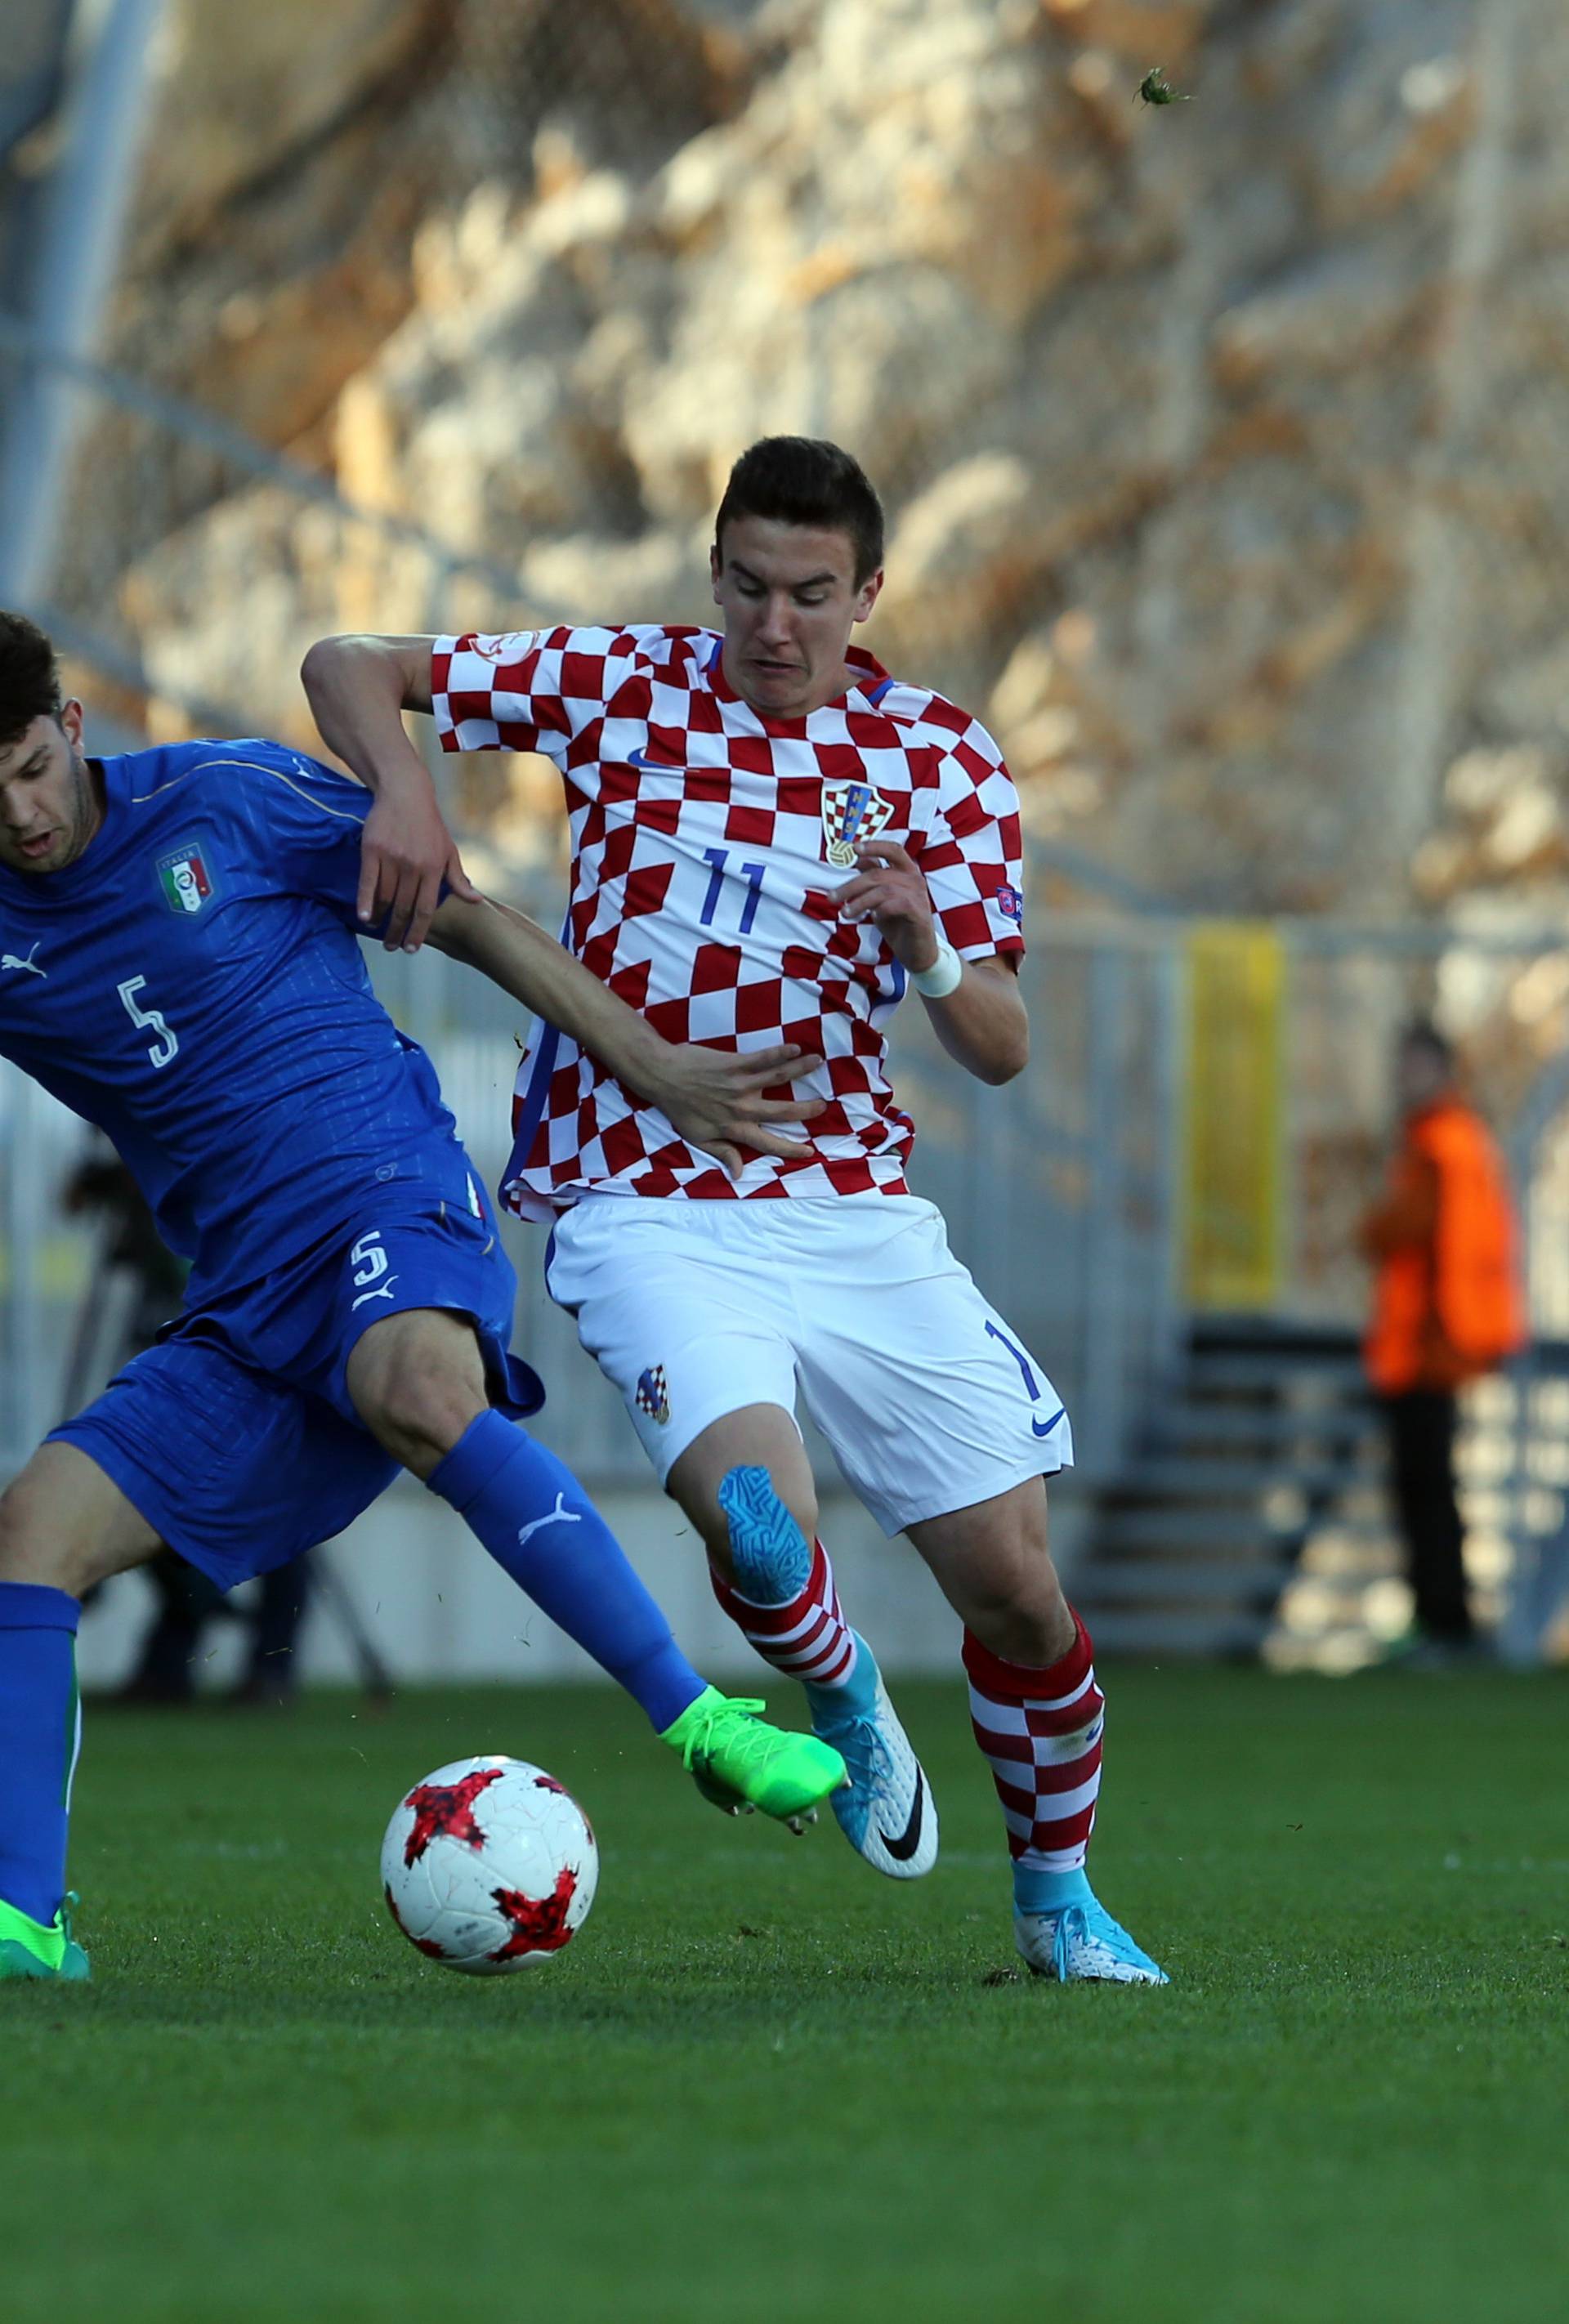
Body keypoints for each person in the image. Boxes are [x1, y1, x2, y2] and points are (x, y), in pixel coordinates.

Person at [302, 435, 1167, 1983]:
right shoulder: (622, 682)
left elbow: (1002, 1046)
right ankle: (842, 1692)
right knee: (757, 1523)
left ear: (871, 592)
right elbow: (349, 661)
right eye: (749, 587)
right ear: (712, 573)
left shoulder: (943, 759)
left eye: (812, 595)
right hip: (643, 1200)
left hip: (852, 1209)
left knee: (1020, 1593)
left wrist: (927, 943)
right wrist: (411, 788)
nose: (776, 625)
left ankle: (1058, 1902)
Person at [0, 608, 848, 1985]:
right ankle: (23, 1924)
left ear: (72, 727)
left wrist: (657, 1068)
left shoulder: (227, 801)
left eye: (31, 765)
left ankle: (703, 1721)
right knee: (30, 1530)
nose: (21, 813)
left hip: (382, 1189)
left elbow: (465, 919)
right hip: (241, 1298)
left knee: (417, 1385)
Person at [1359, 1021, 1527, 1665]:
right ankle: (1440, 1617)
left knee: (1426, 1489)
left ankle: (1444, 1620)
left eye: (1413, 1067)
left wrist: (1374, 1221)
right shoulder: (1449, 1140)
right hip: (1430, 1343)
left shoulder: (1439, 1143)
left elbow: (1398, 1228)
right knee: (1427, 1487)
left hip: (1432, 1345)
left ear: (1439, 1070)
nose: (1404, 1080)